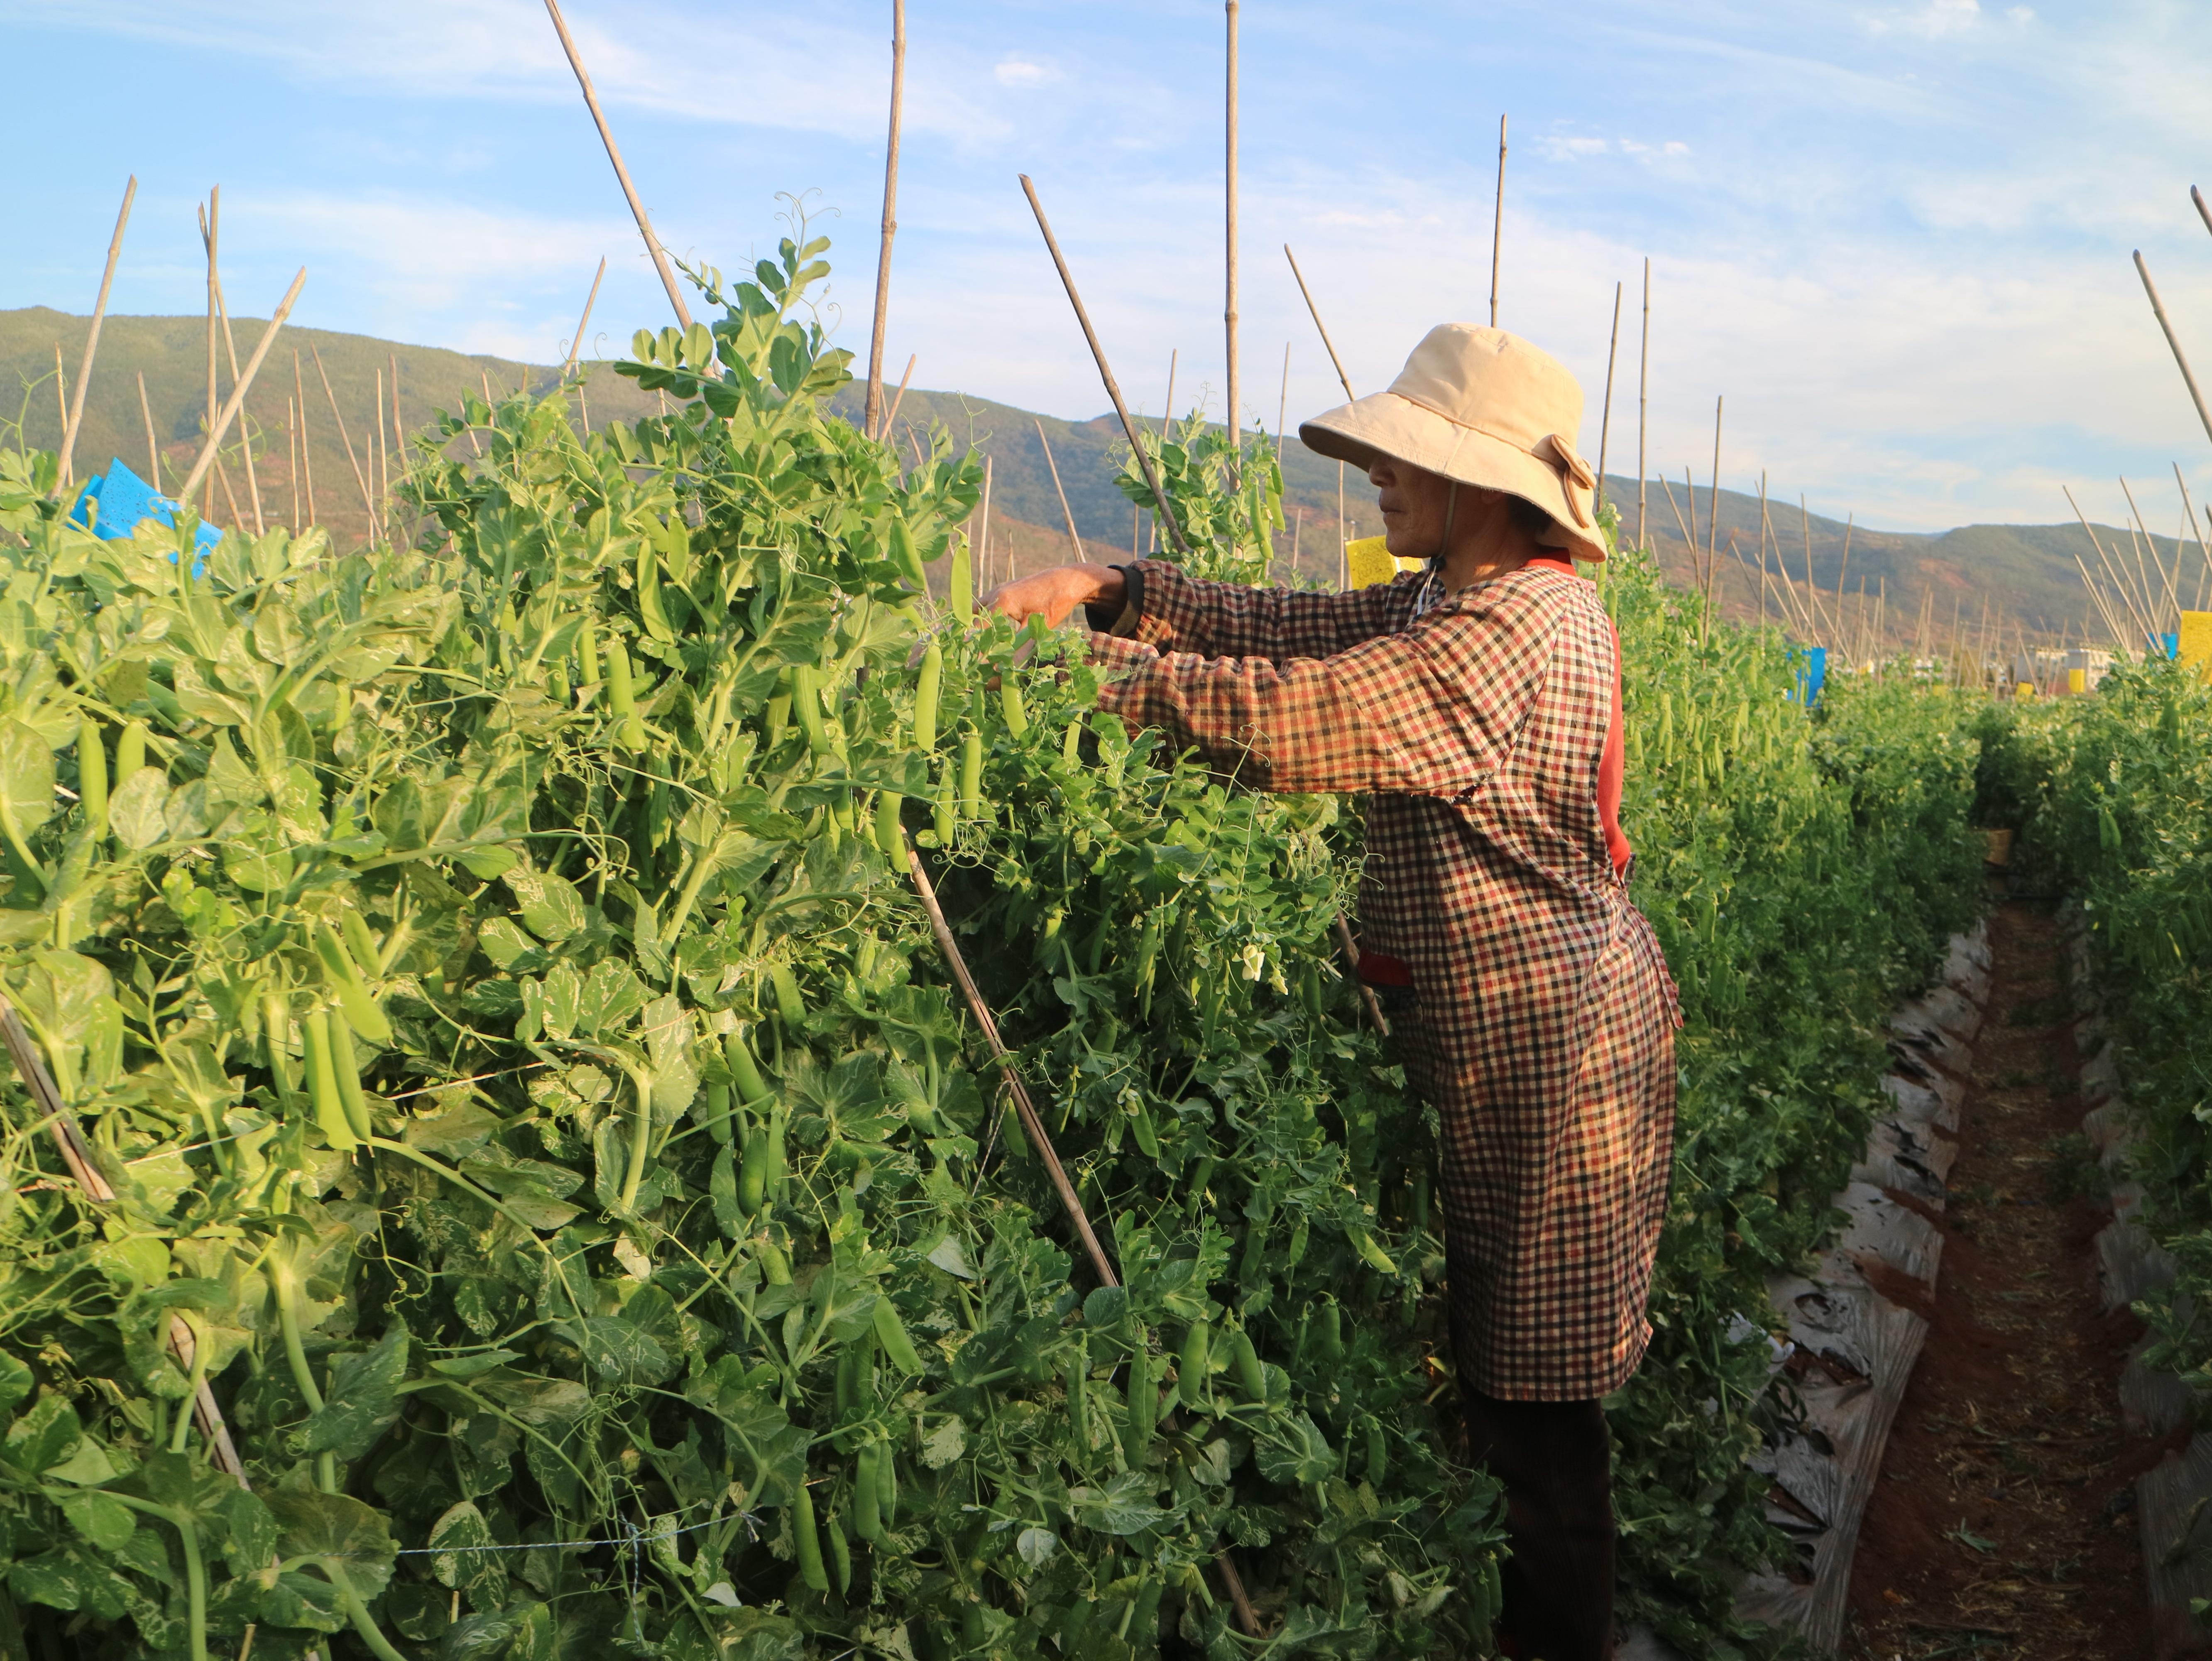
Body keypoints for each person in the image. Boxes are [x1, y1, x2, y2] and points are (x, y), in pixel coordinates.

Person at [986, 324, 1679, 1661]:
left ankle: (1563, 1644)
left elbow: (1307, 720)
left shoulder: (1515, 628)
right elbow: (1295, 628)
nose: (1376, 474)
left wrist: (1082, 679)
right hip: (1519, 1031)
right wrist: (1117, 588)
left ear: (1486, 484)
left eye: (1404, 456)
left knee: (1539, 1409)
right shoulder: (1452, 597)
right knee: (1508, 1377)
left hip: (1557, 1053)